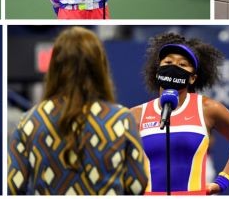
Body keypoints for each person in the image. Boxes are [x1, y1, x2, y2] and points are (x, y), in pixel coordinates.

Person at [8, 27, 147, 194]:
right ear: (99, 67)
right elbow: (137, 185)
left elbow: (13, 187)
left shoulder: (29, 121)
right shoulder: (122, 120)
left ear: (54, 67)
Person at [131, 33, 229, 195]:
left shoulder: (208, 109)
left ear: (193, 78)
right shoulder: (136, 114)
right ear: (157, 71)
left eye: (183, 64)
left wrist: (223, 180)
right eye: (168, 62)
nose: (174, 67)